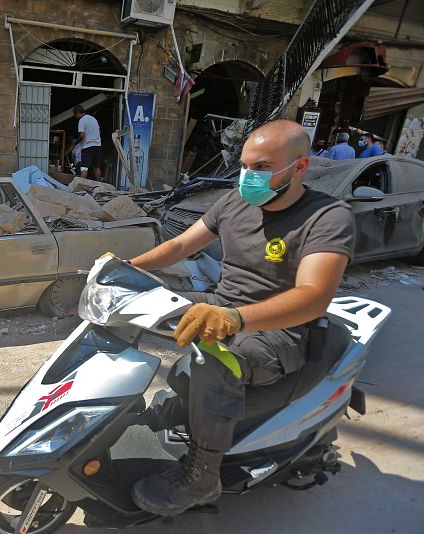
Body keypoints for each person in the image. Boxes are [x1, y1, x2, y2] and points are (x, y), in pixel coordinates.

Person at [121, 119, 355, 516]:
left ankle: (201, 476)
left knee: (215, 357)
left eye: (262, 167)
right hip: (224, 303)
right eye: (245, 166)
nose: (248, 176)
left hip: (282, 332)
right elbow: (179, 244)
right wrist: (127, 269)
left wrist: (234, 317)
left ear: (300, 167)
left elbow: (313, 298)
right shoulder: (234, 202)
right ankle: (170, 411)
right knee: (151, 311)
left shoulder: (328, 217)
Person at [74, 105, 103, 180]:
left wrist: (76, 142)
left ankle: (81, 187)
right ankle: (99, 187)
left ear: (77, 113)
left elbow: (81, 135)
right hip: (97, 146)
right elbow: (99, 132)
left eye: (75, 115)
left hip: (88, 147)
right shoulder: (93, 119)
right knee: (97, 167)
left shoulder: (82, 120)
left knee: (84, 169)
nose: (75, 117)